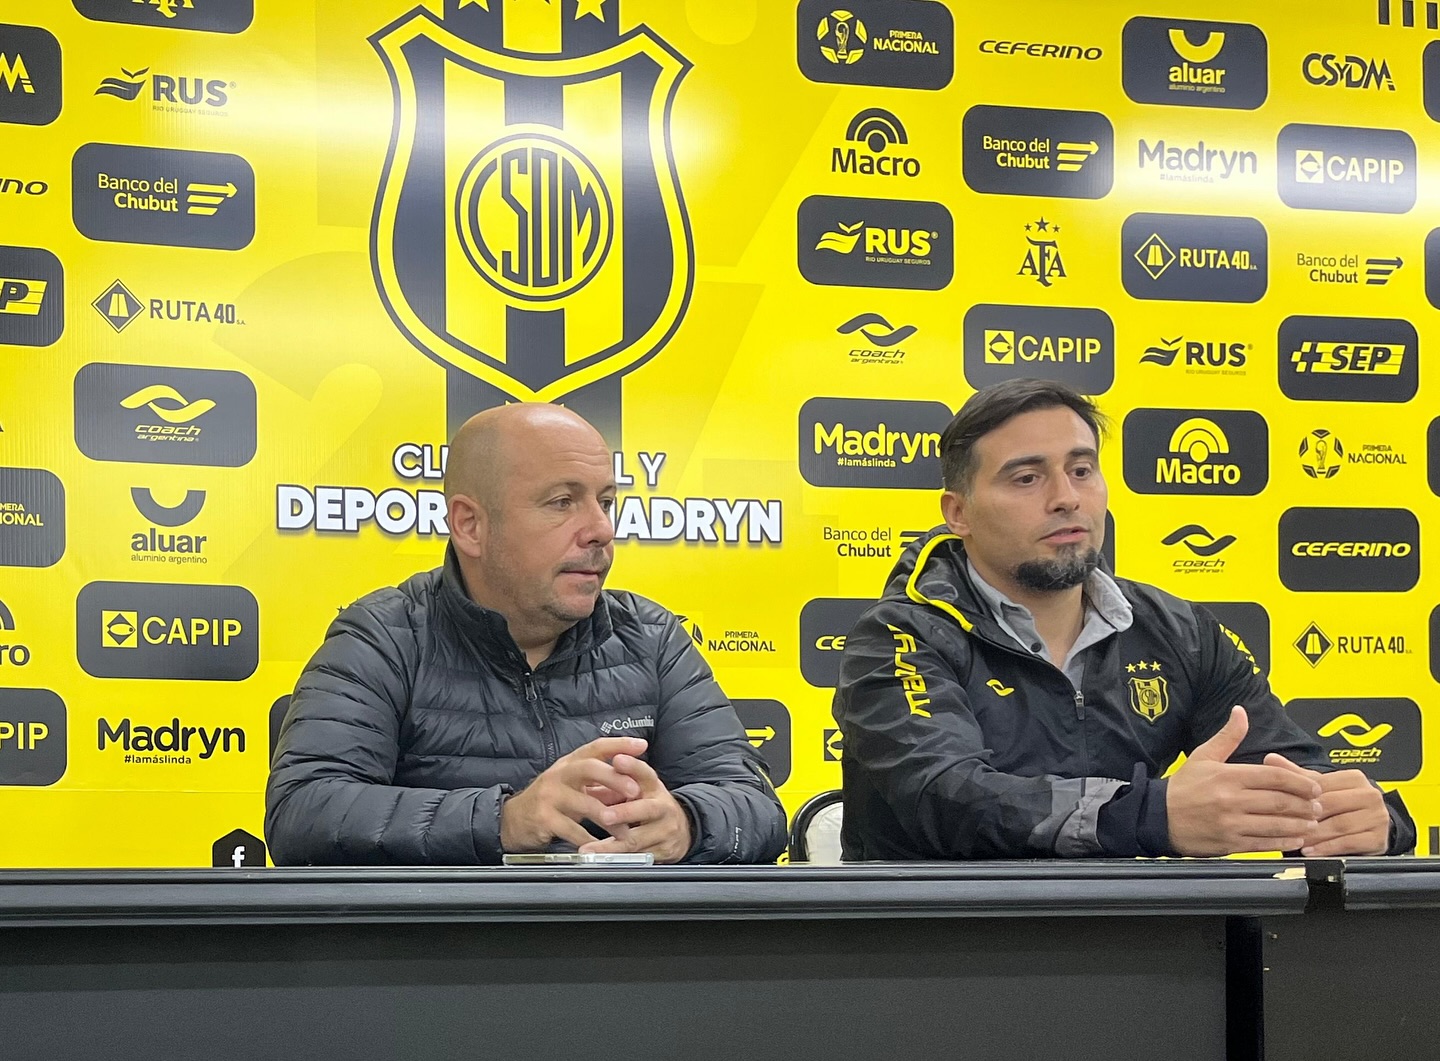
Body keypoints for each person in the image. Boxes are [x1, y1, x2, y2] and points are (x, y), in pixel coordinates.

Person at [832, 379, 1416, 860]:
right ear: (958, 512)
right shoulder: (898, 636)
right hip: (939, 944)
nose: (1066, 497)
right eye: (1027, 478)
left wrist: (1368, 820)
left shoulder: (1180, 633)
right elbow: (948, 797)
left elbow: (1297, 774)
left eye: (1082, 470)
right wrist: (1151, 816)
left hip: (1132, 942)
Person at [267, 403, 787, 865]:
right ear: (470, 526)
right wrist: (504, 821)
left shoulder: (650, 638)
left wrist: (687, 824)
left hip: (620, 941)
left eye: (606, 502)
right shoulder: (384, 636)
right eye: (562, 502)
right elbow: (303, 812)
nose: (601, 530)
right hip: (449, 943)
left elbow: (757, 807)